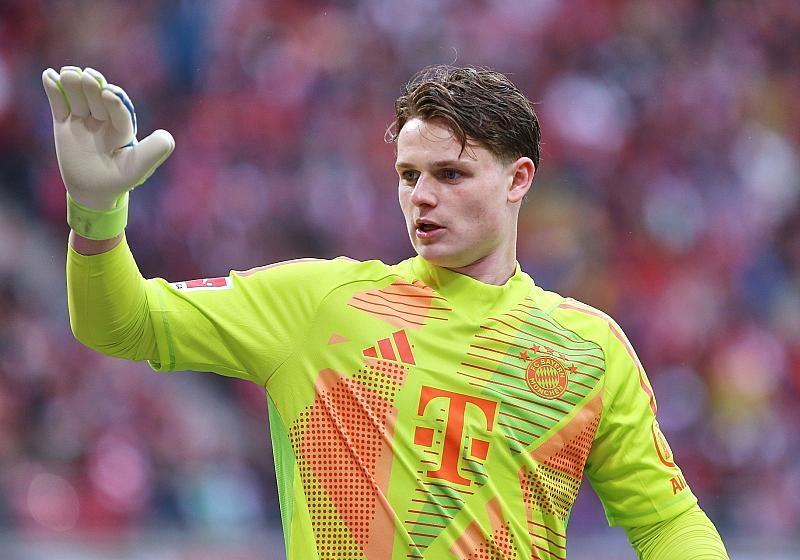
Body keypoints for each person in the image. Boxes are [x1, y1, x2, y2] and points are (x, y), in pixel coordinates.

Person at [43, 64, 729, 559]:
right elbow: (120, 322)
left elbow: (666, 523)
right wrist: (96, 214)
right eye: (409, 176)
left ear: (518, 179)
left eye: (450, 174)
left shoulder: (588, 348)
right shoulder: (318, 304)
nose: (422, 196)